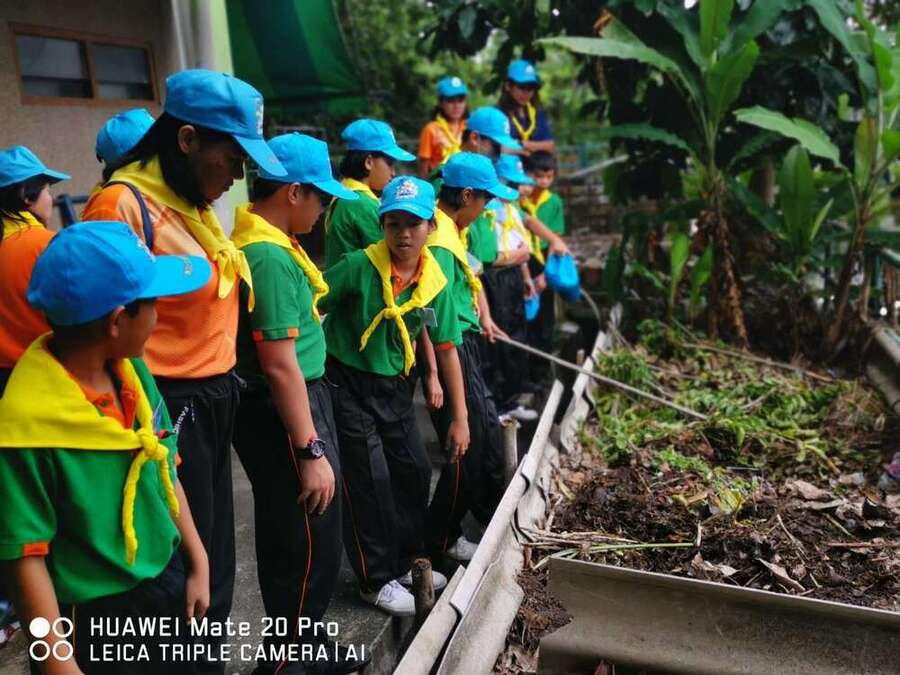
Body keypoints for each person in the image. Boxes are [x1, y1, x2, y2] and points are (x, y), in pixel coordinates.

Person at [82, 68, 285, 675]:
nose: (238, 177)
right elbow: (99, 330)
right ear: (188, 139)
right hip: (166, 404)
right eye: (232, 158)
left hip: (213, 399)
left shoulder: (191, 204)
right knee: (176, 574)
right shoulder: (121, 206)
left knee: (213, 564)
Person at [0, 220, 212, 674]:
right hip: (92, 619)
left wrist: (197, 558)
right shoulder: (26, 427)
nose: (158, 315)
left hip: (164, 581)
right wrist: (59, 664)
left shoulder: (133, 375)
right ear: (117, 321)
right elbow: (24, 558)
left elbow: (165, 471)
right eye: (152, 303)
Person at [231, 133, 366, 674]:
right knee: (304, 537)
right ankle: (287, 661)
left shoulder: (275, 244)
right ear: (293, 192)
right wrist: (310, 448)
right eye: (321, 198)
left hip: (303, 395)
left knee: (315, 535)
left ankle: (307, 643)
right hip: (287, 406)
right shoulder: (265, 255)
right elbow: (278, 363)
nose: (323, 210)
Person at [321, 177, 467, 616]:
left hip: (395, 384)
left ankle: (405, 562)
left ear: (430, 227)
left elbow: (446, 345)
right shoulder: (359, 266)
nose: (403, 234)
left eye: (413, 224)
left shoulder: (433, 279)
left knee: (414, 470)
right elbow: (313, 303)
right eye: (394, 224)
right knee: (369, 479)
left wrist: (460, 417)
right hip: (348, 381)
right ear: (382, 226)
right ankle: (375, 578)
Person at [422, 153, 516, 562]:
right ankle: (440, 536)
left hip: (464, 340)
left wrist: (483, 318)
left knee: (482, 436)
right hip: (453, 347)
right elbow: (434, 319)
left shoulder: (450, 230)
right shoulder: (440, 242)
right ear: (465, 196)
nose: (485, 209)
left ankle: (467, 524)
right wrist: (435, 373)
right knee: (465, 444)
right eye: (484, 200)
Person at [0, 146, 69, 396]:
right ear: (26, 196)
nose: (51, 199)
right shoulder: (48, 245)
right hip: (44, 377)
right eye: (48, 190)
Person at [482, 155, 538, 421]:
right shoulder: (489, 210)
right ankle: (497, 406)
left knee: (517, 336)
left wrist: (526, 277)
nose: (517, 189)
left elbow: (520, 245)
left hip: (514, 276)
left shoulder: (512, 207)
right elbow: (488, 257)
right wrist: (516, 258)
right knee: (499, 339)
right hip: (496, 278)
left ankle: (511, 400)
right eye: (512, 184)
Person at [324, 119, 414, 269]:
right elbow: (395, 257)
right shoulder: (361, 204)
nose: (393, 172)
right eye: (389, 163)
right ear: (369, 162)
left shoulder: (347, 192)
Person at [521, 151, 568, 385]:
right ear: (529, 175)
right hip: (522, 260)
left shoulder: (554, 201)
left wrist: (546, 275)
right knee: (523, 317)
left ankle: (541, 373)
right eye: (539, 176)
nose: (543, 182)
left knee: (544, 319)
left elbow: (556, 239)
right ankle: (524, 372)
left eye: (549, 177)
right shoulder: (520, 198)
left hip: (543, 261)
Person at [498, 59, 555, 155]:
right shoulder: (497, 114)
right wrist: (523, 150)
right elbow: (495, 148)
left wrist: (523, 144)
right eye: (521, 87)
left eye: (530, 88)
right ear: (508, 86)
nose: (526, 93)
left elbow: (550, 146)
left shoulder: (538, 114)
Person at [417, 76, 468, 177]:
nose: (456, 105)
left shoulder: (470, 127)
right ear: (440, 103)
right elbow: (423, 166)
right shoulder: (431, 129)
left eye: (461, 100)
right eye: (450, 100)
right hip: (439, 182)